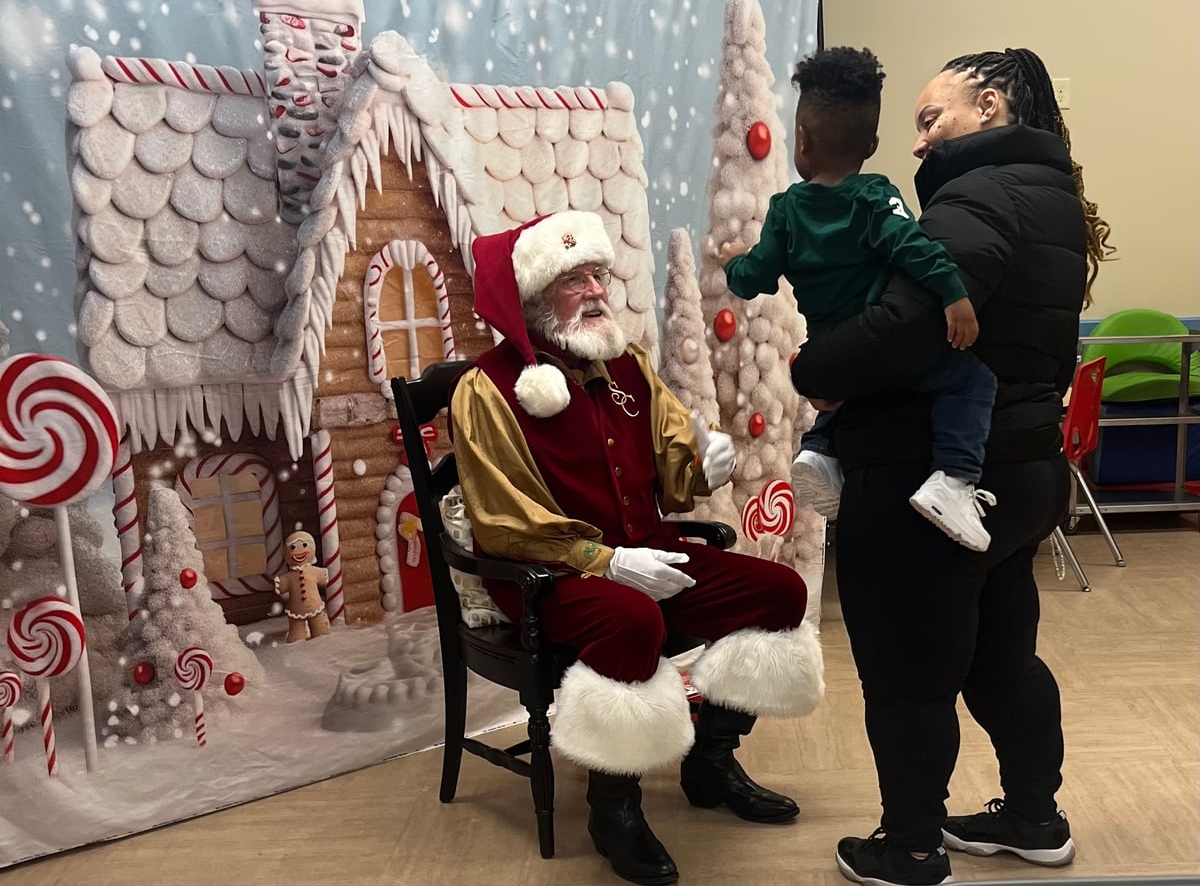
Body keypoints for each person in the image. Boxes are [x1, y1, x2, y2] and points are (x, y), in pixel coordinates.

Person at [790, 47, 1114, 886]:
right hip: (1015, 476)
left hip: (922, 485)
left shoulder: (979, 197)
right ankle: (1034, 816)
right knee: (1002, 656)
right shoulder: (1050, 198)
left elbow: (907, 327)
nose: (920, 144)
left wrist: (815, 367)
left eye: (932, 120)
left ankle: (910, 847)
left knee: (907, 675)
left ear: (993, 105)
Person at [449, 209, 825, 886]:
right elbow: (504, 521)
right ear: (535, 298)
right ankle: (613, 804)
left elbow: (674, 466)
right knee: (634, 619)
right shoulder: (488, 390)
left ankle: (710, 761)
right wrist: (608, 562)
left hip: (647, 551)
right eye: (574, 280)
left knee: (781, 592)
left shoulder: (626, 366)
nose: (596, 290)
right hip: (548, 573)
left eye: (597, 274)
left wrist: (702, 464)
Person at [722, 47, 996, 551]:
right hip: (876, 338)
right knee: (972, 379)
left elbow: (752, 278)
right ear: (871, 143)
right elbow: (915, 247)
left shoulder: (785, 211)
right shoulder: (874, 196)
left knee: (845, 385)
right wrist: (954, 295)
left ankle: (819, 449)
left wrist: (734, 261)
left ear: (800, 140)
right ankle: (954, 479)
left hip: (829, 344)